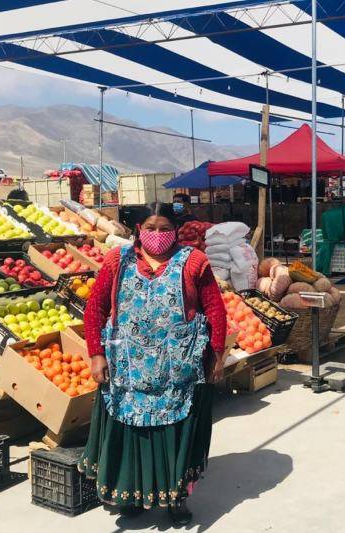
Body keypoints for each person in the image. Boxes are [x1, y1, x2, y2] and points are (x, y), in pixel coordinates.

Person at [79, 202, 227, 526]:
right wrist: (96, 353)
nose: (157, 235)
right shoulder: (118, 261)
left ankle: (176, 498)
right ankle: (132, 495)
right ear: (138, 230)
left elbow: (215, 310)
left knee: (176, 436)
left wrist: (217, 354)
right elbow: (95, 310)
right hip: (128, 370)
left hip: (180, 372)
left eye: (164, 229)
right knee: (132, 433)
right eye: (150, 228)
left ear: (175, 230)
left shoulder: (193, 262)